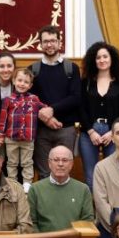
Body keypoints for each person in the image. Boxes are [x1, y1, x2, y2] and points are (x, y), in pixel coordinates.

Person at [30, 25, 82, 178]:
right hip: (41, 131)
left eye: (53, 41)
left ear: (59, 43)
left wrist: (52, 110)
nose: (49, 44)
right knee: (44, 174)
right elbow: (29, 101)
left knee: (62, 173)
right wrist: (47, 119)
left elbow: (75, 98)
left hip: (66, 129)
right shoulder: (33, 70)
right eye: (46, 41)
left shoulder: (71, 68)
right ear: (40, 44)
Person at [79, 41, 119, 191]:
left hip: (113, 133)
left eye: (105, 56)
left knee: (112, 174)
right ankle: (92, 206)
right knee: (90, 175)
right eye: (98, 57)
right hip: (89, 133)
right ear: (93, 60)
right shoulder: (86, 83)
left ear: (112, 59)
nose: (102, 60)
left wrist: (112, 132)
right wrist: (90, 131)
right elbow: (81, 109)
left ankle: (109, 206)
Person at [28, 145, 94, 232]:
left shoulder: (83, 189)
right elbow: (31, 222)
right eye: (56, 160)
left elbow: (87, 222)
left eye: (65, 160)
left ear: (71, 164)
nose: (60, 164)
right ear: (49, 163)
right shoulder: (35, 189)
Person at [0, 67, 47, 183]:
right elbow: (3, 119)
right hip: (11, 138)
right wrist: (0, 135)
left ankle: (27, 184)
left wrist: (50, 111)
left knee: (27, 162)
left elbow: (45, 109)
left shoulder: (34, 99)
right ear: (14, 81)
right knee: (12, 163)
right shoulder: (8, 100)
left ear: (30, 85)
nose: (22, 84)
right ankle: (12, 183)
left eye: (26, 82)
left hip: (28, 139)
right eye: (19, 80)